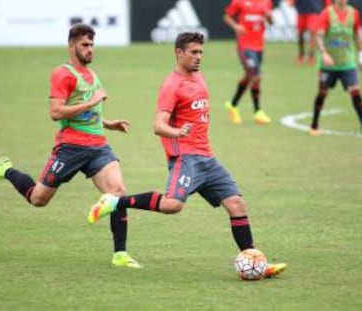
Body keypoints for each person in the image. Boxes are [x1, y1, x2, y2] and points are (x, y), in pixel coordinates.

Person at [87, 32, 287, 277]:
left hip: (208, 158)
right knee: (172, 205)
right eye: (193, 52)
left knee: (236, 204)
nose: (199, 57)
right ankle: (115, 201)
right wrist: (178, 132)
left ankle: (255, 261)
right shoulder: (172, 85)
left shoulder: (199, 77)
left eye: (201, 52)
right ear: (179, 53)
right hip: (186, 158)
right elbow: (158, 125)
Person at [0, 23, 141, 268]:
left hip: (98, 147)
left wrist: (108, 123)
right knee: (38, 199)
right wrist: (91, 103)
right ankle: (5, 169)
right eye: (85, 45)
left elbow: (89, 108)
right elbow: (55, 112)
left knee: (117, 193)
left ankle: (120, 254)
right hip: (71, 148)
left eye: (92, 45)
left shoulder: (91, 74)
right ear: (71, 45)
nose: (90, 50)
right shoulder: (62, 74)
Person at [309, 0, 362, 135]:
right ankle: (314, 125)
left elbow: (357, 35)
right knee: (322, 93)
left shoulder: (353, 13)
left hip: (347, 63)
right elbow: (319, 36)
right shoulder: (327, 13)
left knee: (355, 93)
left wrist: (360, 56)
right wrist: (324, 53)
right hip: (328, 65)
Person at [223, 0, 273, 125]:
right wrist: (236, 26)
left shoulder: (267, 2)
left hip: (259, 46)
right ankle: (258, 111)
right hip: (244, 45)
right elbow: (227, 16)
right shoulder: (239, 1)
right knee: (255, 75)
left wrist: (269, 17)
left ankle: (233, 105)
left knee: (249, 76)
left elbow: (271, 22)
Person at [288, 0, 332, 65]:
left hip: (315, 10)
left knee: (313, 32)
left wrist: (328, 5)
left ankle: (311, 55)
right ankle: (301, 53)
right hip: (301, 10)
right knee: (300, 33)